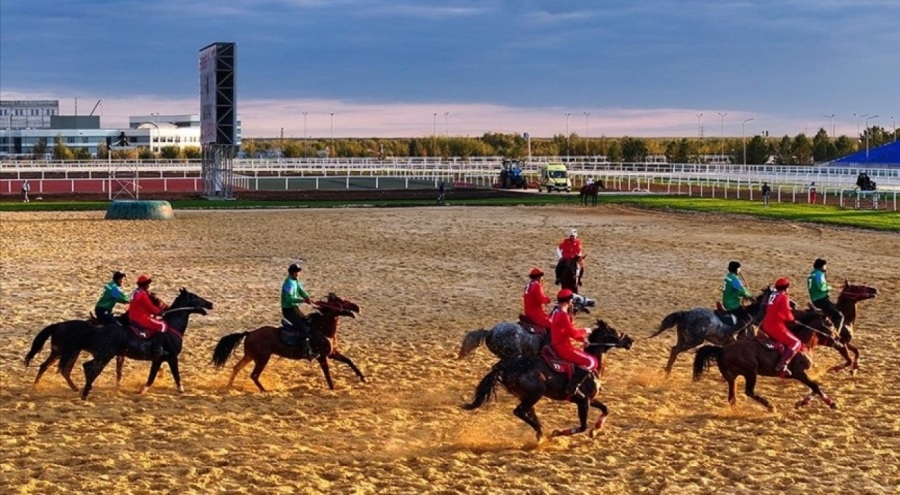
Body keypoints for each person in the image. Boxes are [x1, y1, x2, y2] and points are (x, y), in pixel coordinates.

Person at [549, 288, 598, 397]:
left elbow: (566, 331)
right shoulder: (563, 315)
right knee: (591, 362)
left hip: (558, 343)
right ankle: (572, 387)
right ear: (569, 301)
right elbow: (573, 333)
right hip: (564, 348)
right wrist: (586, 330)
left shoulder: (556, 311)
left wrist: (583, 339)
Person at [760, 277, 800, 377]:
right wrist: (793, 319)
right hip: (776, 325)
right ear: (786, 288)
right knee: (796, 342)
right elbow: (787, 313)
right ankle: (782, 365)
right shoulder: (784, 297)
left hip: (766, 323)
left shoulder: (773, 294)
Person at [128, 275, 169, 356]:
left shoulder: (136, 291)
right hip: (140, 317)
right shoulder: (143, 295)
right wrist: (159, 312)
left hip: (132, 315)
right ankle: (156, 349)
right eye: (148, 284)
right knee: (162, 325)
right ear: (145, 284)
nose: (149, 286)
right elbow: (150, 307)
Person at [282, 263, 314, 359]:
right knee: (303, 327)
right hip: (289, 310)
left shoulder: (295, 281)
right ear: (292, 273)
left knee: (307, 322)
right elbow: (289, 299)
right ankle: (306, 352)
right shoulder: (288, 284)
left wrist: (307, 297)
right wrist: (302, 300)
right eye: (296, 272)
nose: (298, 274)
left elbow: (301, 291)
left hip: (295, 309)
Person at [807, 258, 844, 334]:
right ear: (822, 266)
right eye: (825, 265)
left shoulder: (812, 273)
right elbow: (821, 288)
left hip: (815, 299)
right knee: (839, 316)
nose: (826, 267)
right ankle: (835, 335)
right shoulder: (819, 274)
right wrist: (829, 288)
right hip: (821, 300)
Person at [721, 261, 753, 328]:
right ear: (736, 269)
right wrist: (750, 297)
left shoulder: (728, 276)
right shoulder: (734, 279)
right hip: (732, 305)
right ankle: (733, 332)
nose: (740, 270)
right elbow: (742, 290)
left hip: (726, 302)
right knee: (748, 318)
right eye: (739, 268)